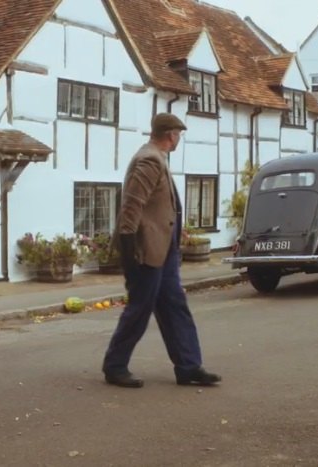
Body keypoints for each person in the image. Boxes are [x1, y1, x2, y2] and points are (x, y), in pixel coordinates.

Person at [102, 113, 221, 388]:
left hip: (164, 250)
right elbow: (131, 206)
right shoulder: (149, 160)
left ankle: (189, 366)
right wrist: (129, 249)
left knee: (174, 306)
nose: (179, 139)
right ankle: (115, 366)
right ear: (171, 135)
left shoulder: (158, 158)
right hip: (145, 250)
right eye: (178, 134)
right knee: (140, 308)